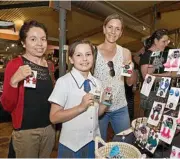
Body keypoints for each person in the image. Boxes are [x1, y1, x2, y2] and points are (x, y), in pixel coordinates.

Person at [1, 20, 55, 157]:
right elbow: (7, 106)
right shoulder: (15, 65)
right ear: (24, 43)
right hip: (26, 132)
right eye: (33, 39)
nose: (40, 43)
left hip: (49, 129)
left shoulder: (49, 66)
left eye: (43, 39)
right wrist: (14, 81)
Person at [48, 40, 108, 158]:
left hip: (94, 142)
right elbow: (54, 117)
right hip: (71, 147)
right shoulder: (64, 82)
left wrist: (106, 102)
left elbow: (97, 113)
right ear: (71, 59)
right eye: (79, 55)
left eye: (88, 54)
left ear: (93, 57)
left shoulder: (98, 83)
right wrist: (80, 107)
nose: (84, 59)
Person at [93, 13, 136, 141]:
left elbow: (129, 82)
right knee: (99, 145)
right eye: (110, 27)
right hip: (99, 108)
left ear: (121, 32)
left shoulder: (125, 52)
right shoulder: (93, 52)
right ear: (104, 28)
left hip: (120, 107)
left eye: (117, 28)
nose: (113, 31)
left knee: (126, 143)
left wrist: (131, 70)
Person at [138, 29, 175, 117]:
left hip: (163, 91)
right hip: (151, 94)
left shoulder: (161, 54)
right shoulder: (147, 55)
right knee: (151, 121)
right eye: (164, 41)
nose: (166, 44)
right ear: (155, 41)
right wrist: (168, 75)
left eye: (167, 41)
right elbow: (147, 78)